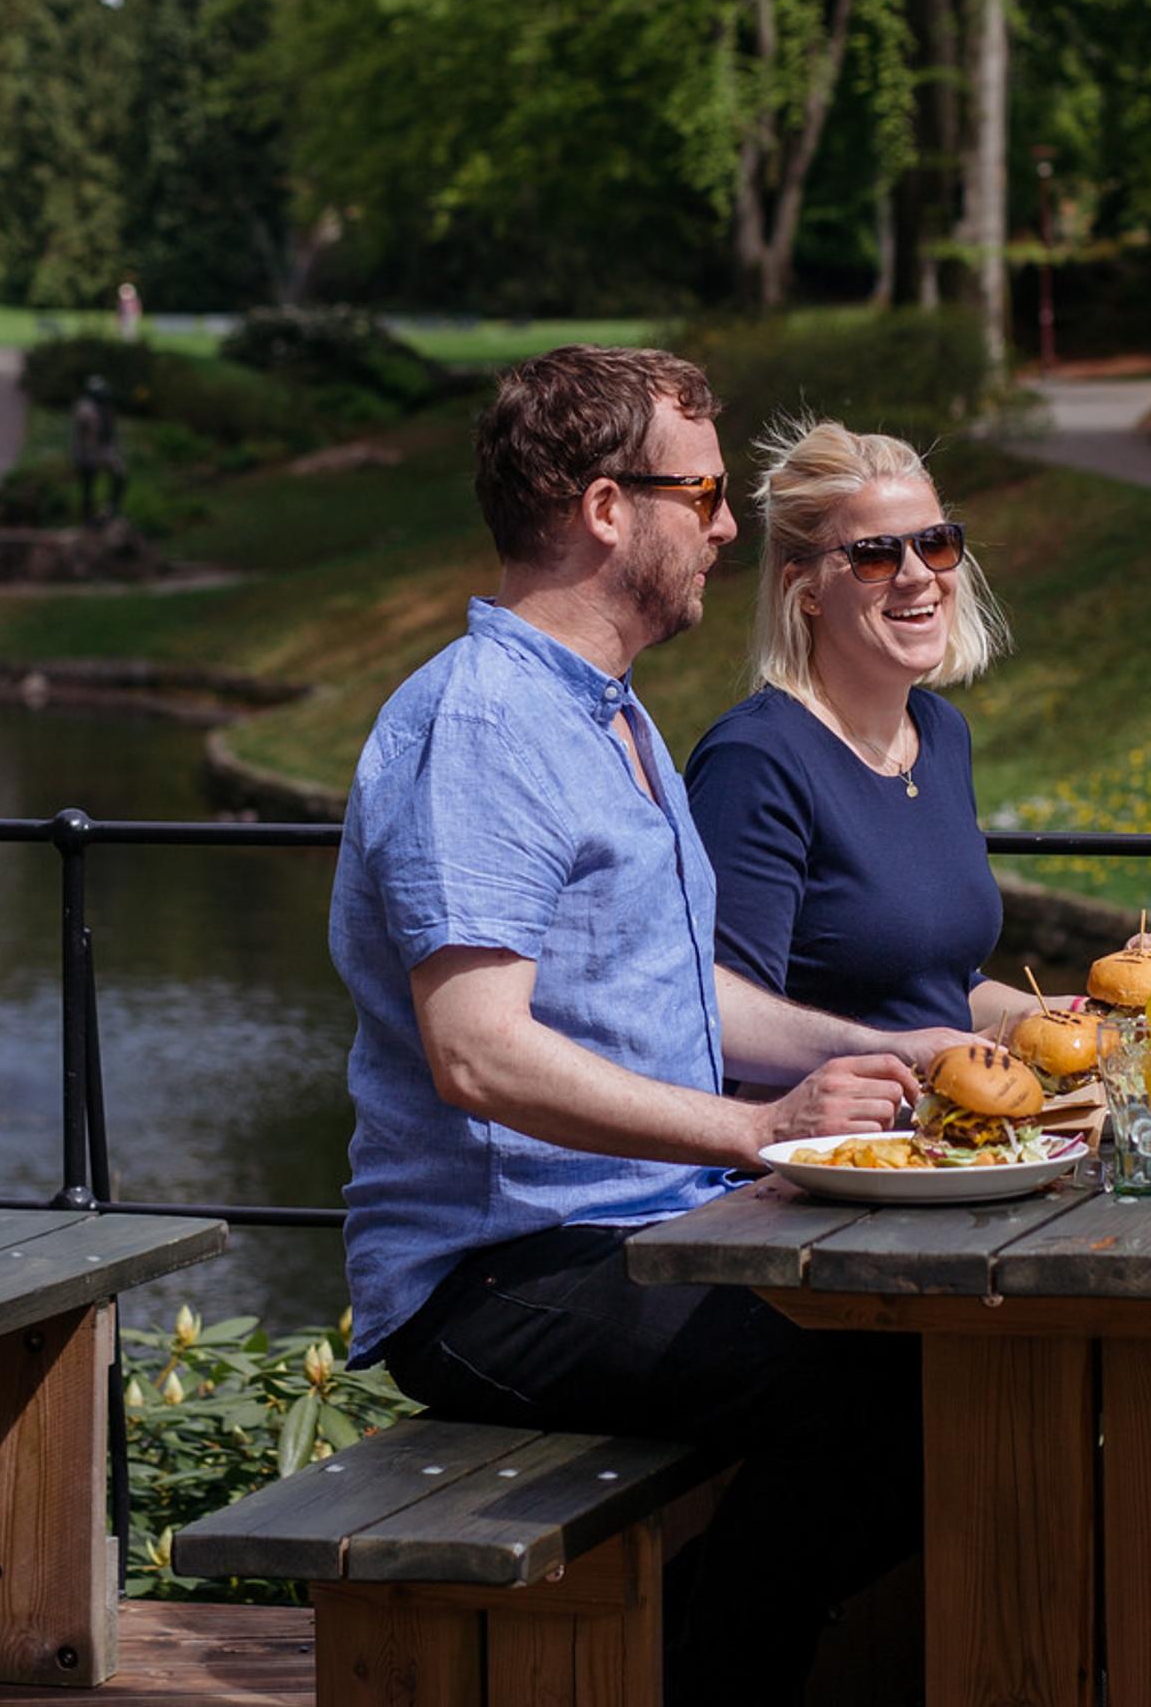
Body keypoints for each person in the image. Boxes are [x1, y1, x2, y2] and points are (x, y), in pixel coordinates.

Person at [325, 346, 964, 1706]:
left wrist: (910, 1052)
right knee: (885, 1394)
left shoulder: (606, 715)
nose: (729, 529)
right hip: (496, 1272)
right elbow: (476, 1049)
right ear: (608, 509)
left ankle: (695, 1658)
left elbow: (687, 997)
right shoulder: (485, 721)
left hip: (643, 1231)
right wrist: (756, 1127)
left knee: (947, 1352)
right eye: (706, 495)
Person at [686, 419, 1025, 1037]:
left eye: (935, 544)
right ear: (805, 589)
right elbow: (723, 1016)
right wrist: (905, 1055)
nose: (917, 575)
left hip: (943, 1100)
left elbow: (933, 988)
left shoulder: (940, 731)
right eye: (876, 555)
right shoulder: (755, 759)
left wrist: (1066, 1015)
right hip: (824, 1105)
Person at [69, 375, 125, 523]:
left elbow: (112, 431)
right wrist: (79, 456)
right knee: (88, 486)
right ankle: (87, 517)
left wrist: (117, 449)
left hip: (106, 449)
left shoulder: (107, 407)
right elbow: (78, 435)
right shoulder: (84, 408)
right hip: (88, 452)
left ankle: (111, 508)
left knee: (120, 475)